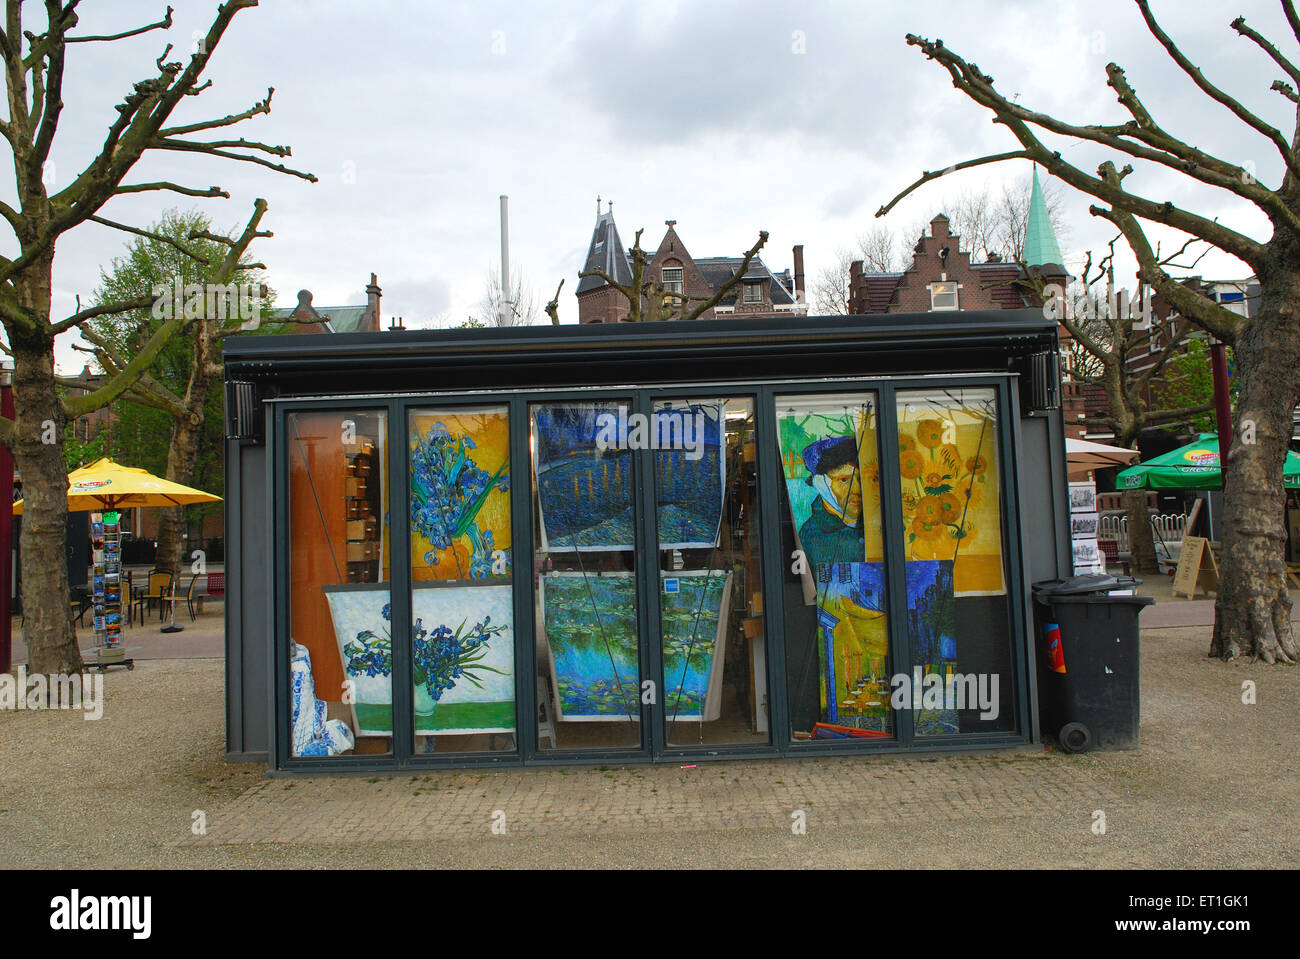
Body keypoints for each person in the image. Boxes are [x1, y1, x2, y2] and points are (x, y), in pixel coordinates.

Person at [797, 435, 865, 565]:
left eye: (860, 478)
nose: (856, 489)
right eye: (844, 480)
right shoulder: (810, 535)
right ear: (821, 484)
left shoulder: (877, 521)